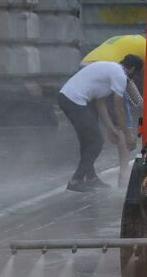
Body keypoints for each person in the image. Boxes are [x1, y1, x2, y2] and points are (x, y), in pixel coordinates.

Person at [58, 55, 142, 192]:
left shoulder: (112, 71)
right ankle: (76, 180)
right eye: (136, 74)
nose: (133, 79)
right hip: (74, 100)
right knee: (96, 142)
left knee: (87, 141)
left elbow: (100, 103)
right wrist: (128, 135)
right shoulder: (120, 75)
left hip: (68, 98)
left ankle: (90, 178)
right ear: (132, 68)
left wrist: (110, 128)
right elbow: (119, 109)